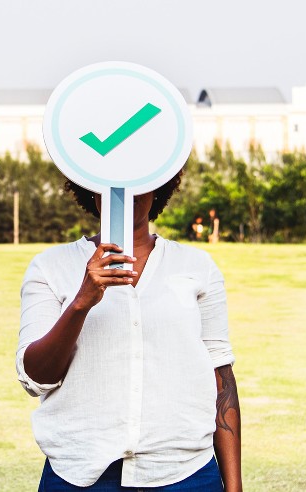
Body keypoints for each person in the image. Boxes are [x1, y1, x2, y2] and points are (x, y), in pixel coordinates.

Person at [16, 174, 242, 491]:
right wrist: (81, 302)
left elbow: (221, 380)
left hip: (184, 474)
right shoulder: (51, 267)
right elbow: (36, 378)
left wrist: (234, 487)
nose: (125, 190)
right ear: (88, 185)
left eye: (139, 178)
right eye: (111, 179)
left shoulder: (196, 267)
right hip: (79, 473)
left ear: (160, 184)